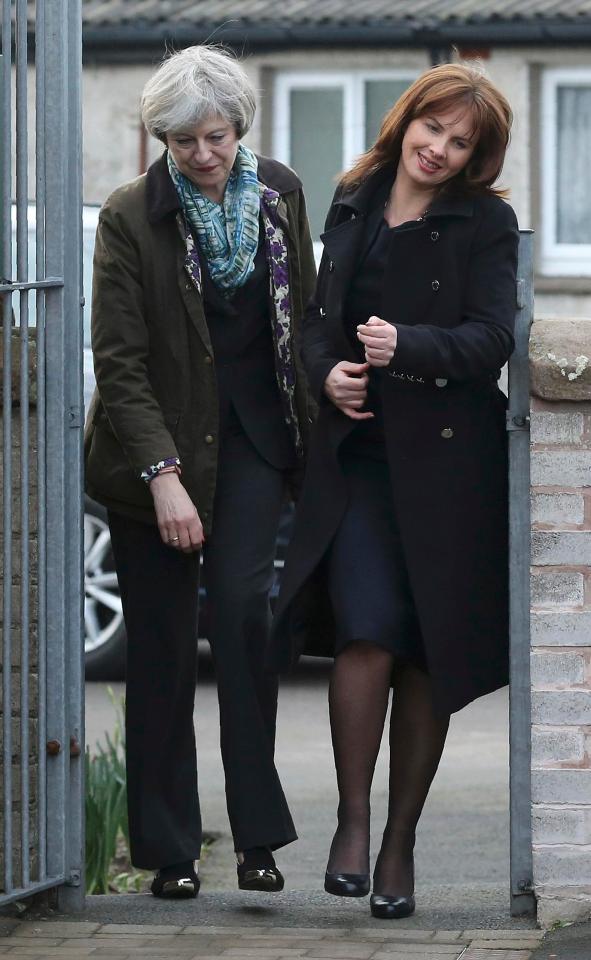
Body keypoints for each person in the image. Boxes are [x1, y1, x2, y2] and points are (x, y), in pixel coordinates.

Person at [267, 62, 518, 919]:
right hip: (362, 461)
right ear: (405, 118)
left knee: (423, 656)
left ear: (476, 156)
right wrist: (326, 375)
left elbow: (491, 340)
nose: (439, 149)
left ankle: (400, 843)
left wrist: (405, 344)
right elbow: (310, 321)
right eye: (432, 128)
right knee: (366, 634)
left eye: (461, 141)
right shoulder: (354, 195)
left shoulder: (485, 222)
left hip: (451, 472)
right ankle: (351, 818)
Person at [84, 45, 316, 898]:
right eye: (183, 142)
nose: (202, 156)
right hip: (156, 456)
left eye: (214, 137)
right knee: (162, 652)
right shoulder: (128, 215)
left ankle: (258, 840)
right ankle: (171, 853)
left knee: (247, 623)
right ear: (162, 141)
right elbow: (120, 359)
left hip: (254, 444)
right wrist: (161, 474)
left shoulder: (281, 194)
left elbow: (301, 327)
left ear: (237, 130)